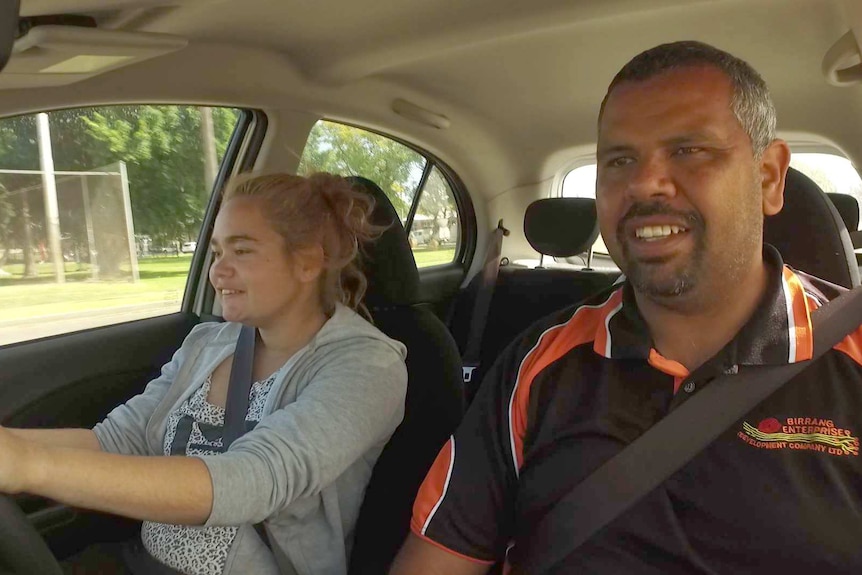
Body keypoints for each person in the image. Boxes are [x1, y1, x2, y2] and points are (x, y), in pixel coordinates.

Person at [389, 41, 862, 574]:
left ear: (769, 178)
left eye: (688, 149)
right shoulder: (537, 365)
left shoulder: (852, 350)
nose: (643, 183)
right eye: (618, 159)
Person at [0, 172, 408, 574]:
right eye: (216, 253)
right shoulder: (208, 343)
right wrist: (12, 445)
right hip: (140, 561)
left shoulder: (367, 366)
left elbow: (252, 480)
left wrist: (28, 466)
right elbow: (117, 439)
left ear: (307, 262)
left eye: (242, 251)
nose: (218, 271)